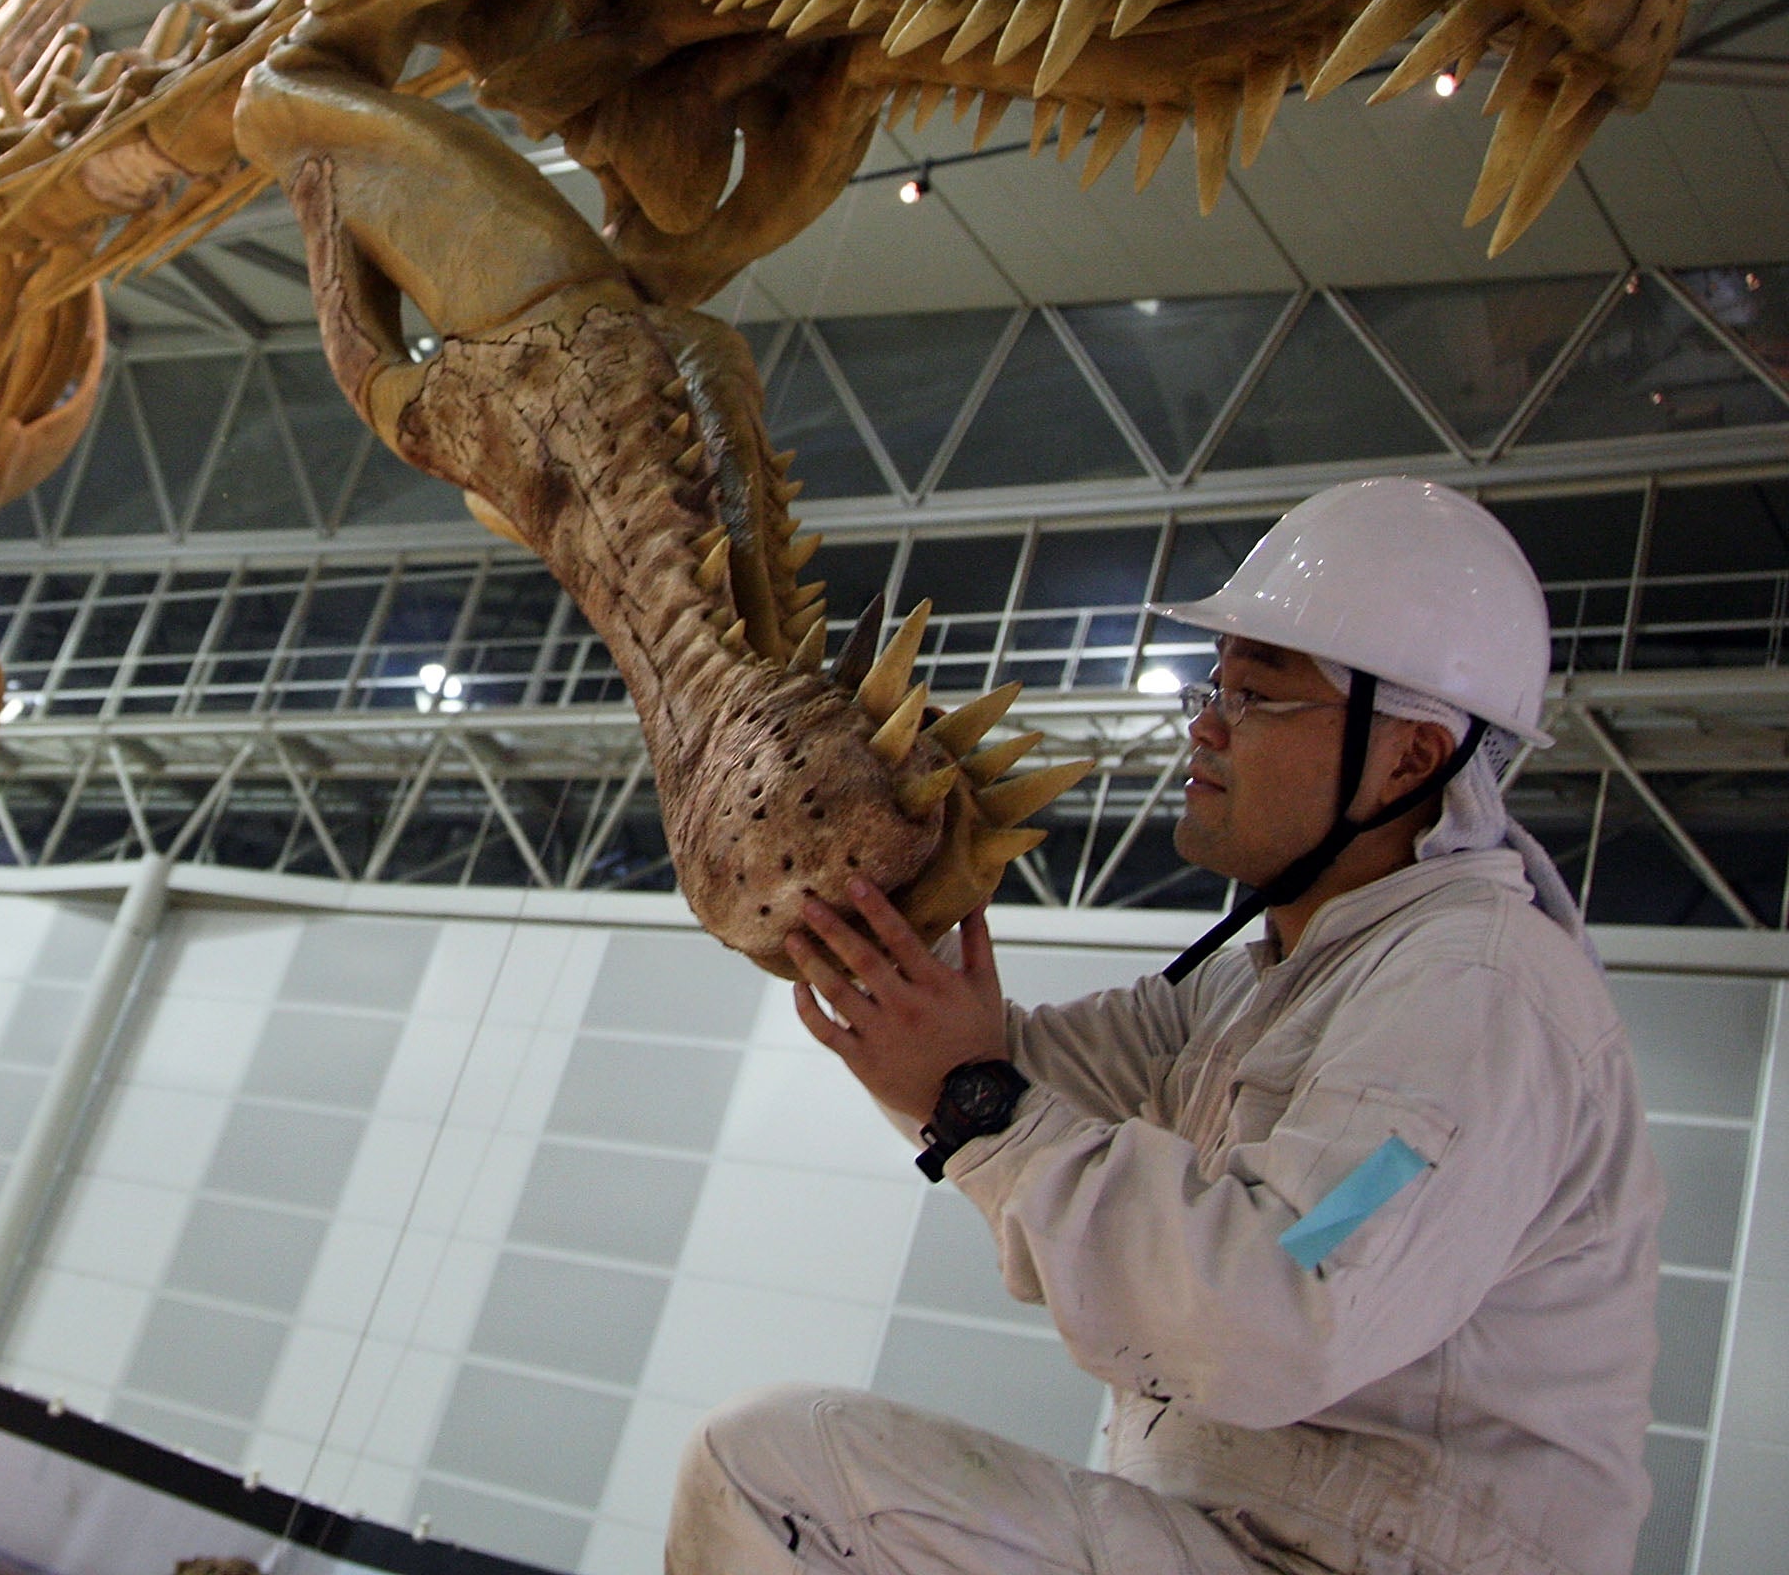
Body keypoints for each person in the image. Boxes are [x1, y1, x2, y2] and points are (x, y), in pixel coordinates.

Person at [666, 477, 1663, 1575]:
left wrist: (976, 1097)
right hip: (1234, 1538)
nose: (1206, 723)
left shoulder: (1477, 996)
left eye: (1260, 696)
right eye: (1212, 683)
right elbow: (1012, 1070)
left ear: (1411, 757)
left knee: (776, 1472)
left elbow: (1297, 1286)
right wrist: (864, 913)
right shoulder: (1259, 989)